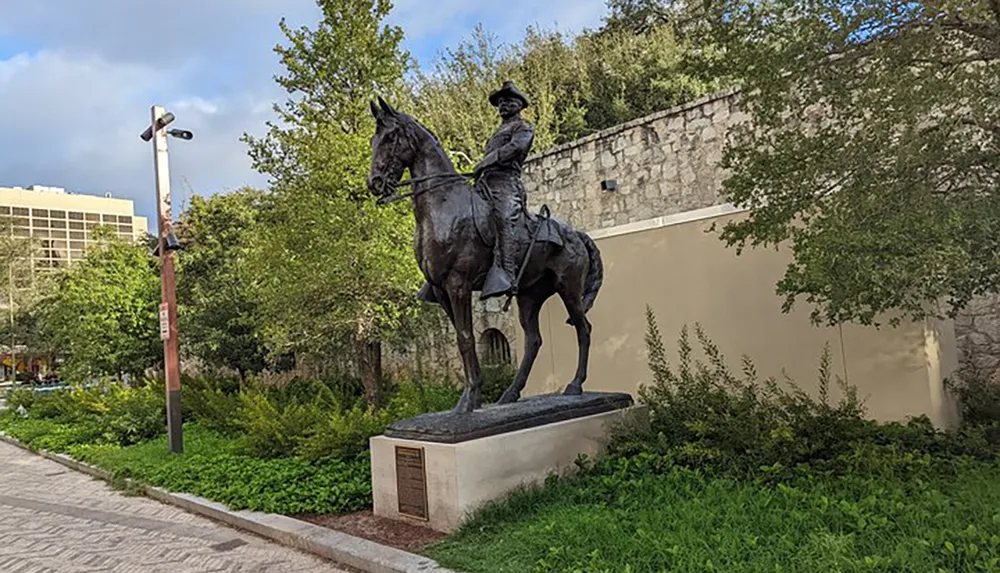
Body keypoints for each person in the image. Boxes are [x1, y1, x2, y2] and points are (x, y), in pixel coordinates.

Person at [473, 80, 535, 300]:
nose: (503, 105)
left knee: (502, 217)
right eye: (500, 102)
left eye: (508, 101)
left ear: (519, 104)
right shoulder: (496, 132)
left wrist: (486, 161)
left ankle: (507, 274)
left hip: (507, 183)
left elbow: (515, 148)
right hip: (486, 183)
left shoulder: (523, 127)